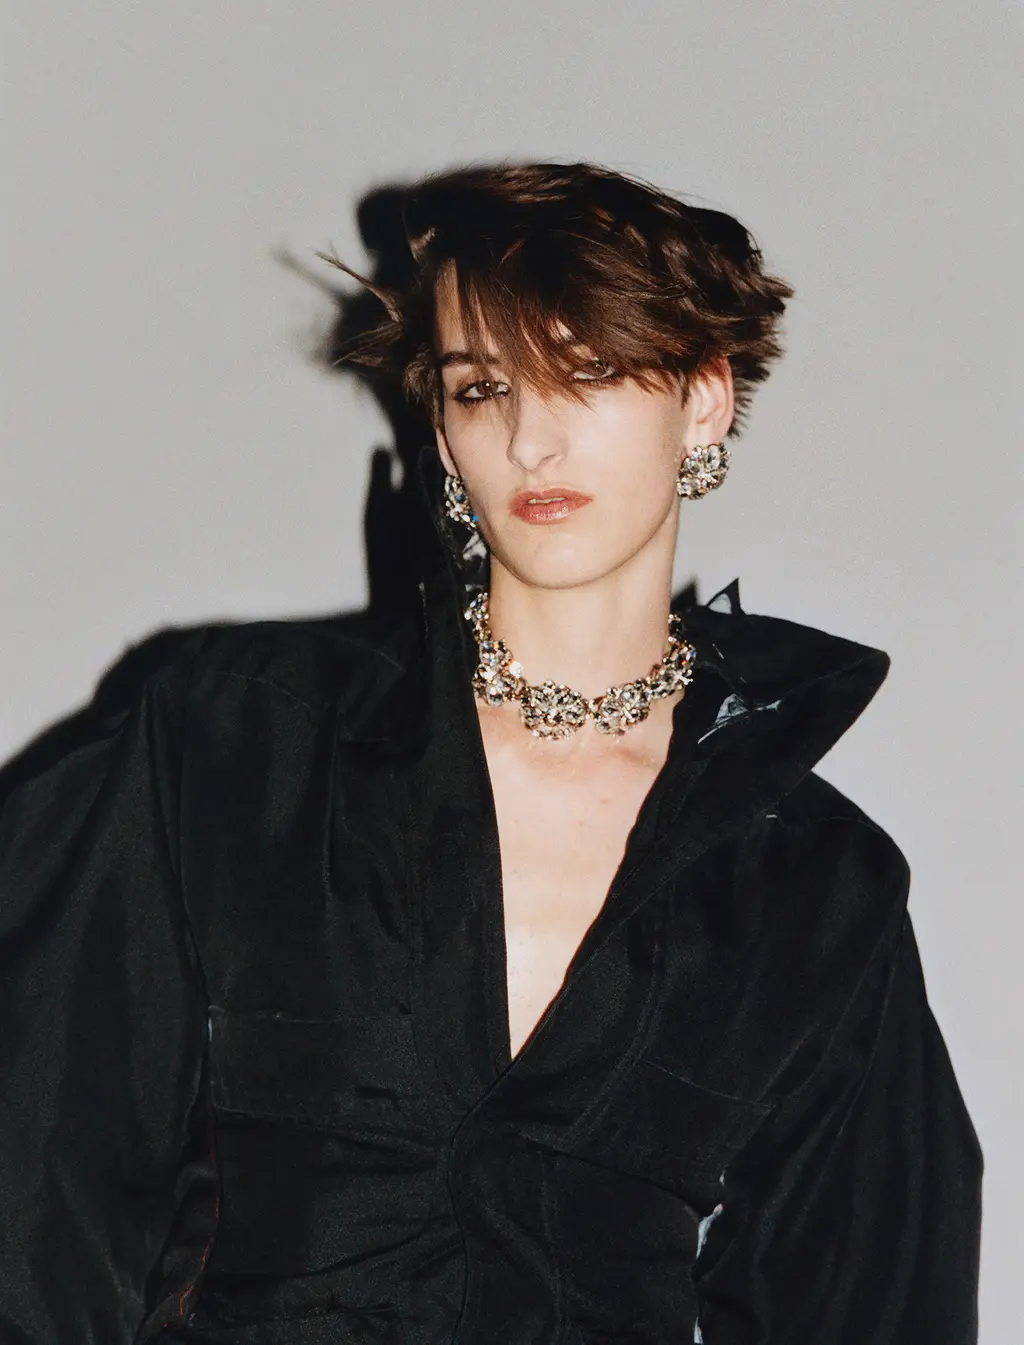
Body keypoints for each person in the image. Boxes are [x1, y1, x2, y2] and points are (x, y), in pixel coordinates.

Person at [0, 161, 982, 1343]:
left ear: (704, 400)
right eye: (482, 387)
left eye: (589, 371)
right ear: (441, 426)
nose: (529, 437)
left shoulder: (814, 877)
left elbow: (871, 1298)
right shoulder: (229, 744)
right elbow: (38, 1174)